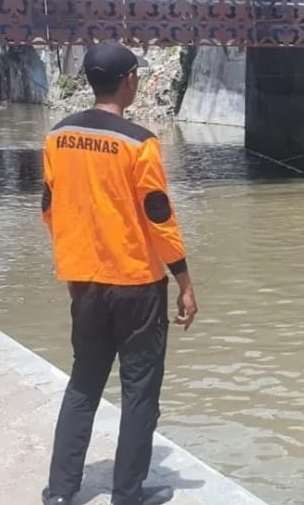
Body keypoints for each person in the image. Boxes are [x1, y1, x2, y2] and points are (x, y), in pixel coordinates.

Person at [40, 41, 198, 505]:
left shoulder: (57, 136)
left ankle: (61, 492)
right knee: (139, 392)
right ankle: (127, 494)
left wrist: (77, 261)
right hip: (136, 286)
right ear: (129, 81)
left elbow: (49, 208)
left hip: (84, 283)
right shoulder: (139, 142)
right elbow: (158, 215)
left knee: (84, 384)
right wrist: (184, 281)